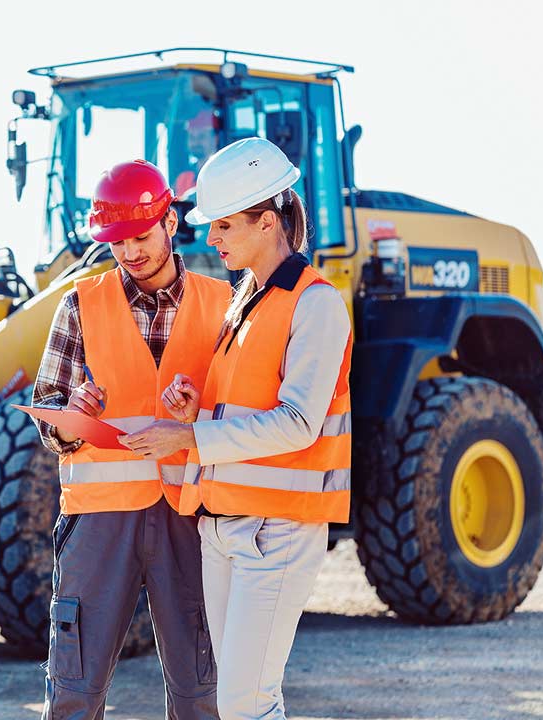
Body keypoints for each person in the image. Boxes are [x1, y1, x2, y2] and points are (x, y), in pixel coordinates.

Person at [119, 137, 353, 720]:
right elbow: (242, 409)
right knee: (239, 701)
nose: (211, 238)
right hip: (223, 524)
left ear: (267, 221)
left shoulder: (315, 304)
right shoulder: (244, 302)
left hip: (275, 531)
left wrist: (190, 438)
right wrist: (192, 409)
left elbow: (298, 422)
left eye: (223, 225)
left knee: (247, 702)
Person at [32, 159, 232, 719]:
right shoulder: (79, 303)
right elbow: (48, 409)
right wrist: (69, 415)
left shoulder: (225, 306)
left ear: (169, 222)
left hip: (194, 513)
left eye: (142, 236)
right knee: (75, 688)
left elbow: (246, 414)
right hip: (99, 519)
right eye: (117, 241)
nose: (130, 252)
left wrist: (198, 416)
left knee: (202, 690)